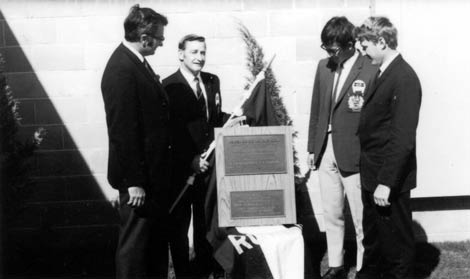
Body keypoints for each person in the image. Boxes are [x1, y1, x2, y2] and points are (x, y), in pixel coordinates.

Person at [101, 5, 170, 279]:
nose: (161, 43)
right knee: (134, 250)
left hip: (150, 177)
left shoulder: (134, 63)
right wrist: (134, 181)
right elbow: (122, 130)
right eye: (160, 38)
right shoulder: (121, 68)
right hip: (138, 182)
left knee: (151, 249)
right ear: (144, 38)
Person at [307, 16, 378, 279]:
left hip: (355, 153)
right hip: (326, 150)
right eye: (325, 47)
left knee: (360, 218)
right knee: (332, 212)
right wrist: (312, 147)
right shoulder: (323, 67)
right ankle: (336, 265)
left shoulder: (370, 68)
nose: (328, 53)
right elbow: (316, 109)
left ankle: (363, 268)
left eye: (333, 48)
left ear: (350, 44)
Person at [355, 16, 422, 279]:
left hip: (387, 183)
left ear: (381, 41)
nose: (362, 51)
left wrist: (386, 182)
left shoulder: (404, 78)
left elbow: (402, 138)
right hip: (373, 177)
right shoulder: (384, 73)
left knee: (397, 253)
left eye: (364, 45)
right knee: (375, 247)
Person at [163, 34, 226, 279]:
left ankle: (204, 267)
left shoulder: (212, 81)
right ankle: (183, 273)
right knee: (179, 226)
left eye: (203, 52)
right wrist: (189, 159)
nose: (199, 57)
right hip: (181, 169)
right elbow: (171, 131)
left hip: (208, 166)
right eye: (194, 52)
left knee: (206, 221)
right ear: (181, 54)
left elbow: (213, 118)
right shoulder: (168, 86)